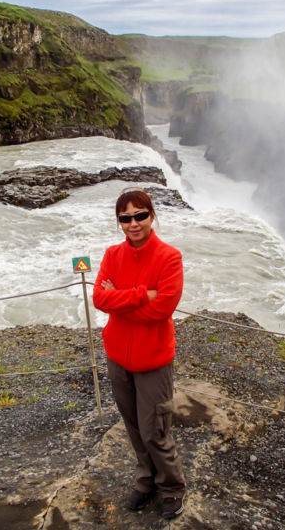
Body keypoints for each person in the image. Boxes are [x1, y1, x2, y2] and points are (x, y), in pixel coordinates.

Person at [92, 188, 186, 520]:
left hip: (153, 360)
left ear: (152, 215)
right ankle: (146, 481)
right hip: (118, 356)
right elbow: (98, 299)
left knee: (155, 429)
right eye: (125, 218)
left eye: (140, 215)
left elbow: (163, 310)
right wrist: (141, 295)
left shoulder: (169, 257)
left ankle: (171, 487)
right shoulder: (112, 255)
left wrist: (120, 300)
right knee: (132, 425)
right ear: (119, 222)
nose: (133, 223)